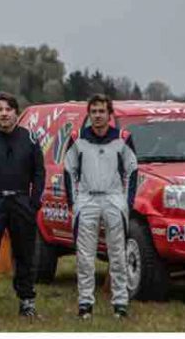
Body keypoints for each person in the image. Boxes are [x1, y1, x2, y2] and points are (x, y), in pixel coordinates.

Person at [0, 92, 45, 317]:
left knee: (25, 253)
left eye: (8, 109)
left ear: (16, 113)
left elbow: (39, 173)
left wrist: (34, 202)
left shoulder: (30, 140)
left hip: (21, 201)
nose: (4, 114)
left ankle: (26, 300)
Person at [64, 94, 138, 320]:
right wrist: (73, 203)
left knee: (117, 253)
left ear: (110, 114)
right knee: (85, 256)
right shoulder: (77, 138)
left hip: (114, 198)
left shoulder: (123, 138)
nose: (97, 115)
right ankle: (85, 303)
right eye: (93, 111)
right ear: (89, 114)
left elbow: (133, 171)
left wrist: (127, 203)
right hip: (86, 199)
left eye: (101, 111)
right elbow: (68, 171)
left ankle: (120, 303)